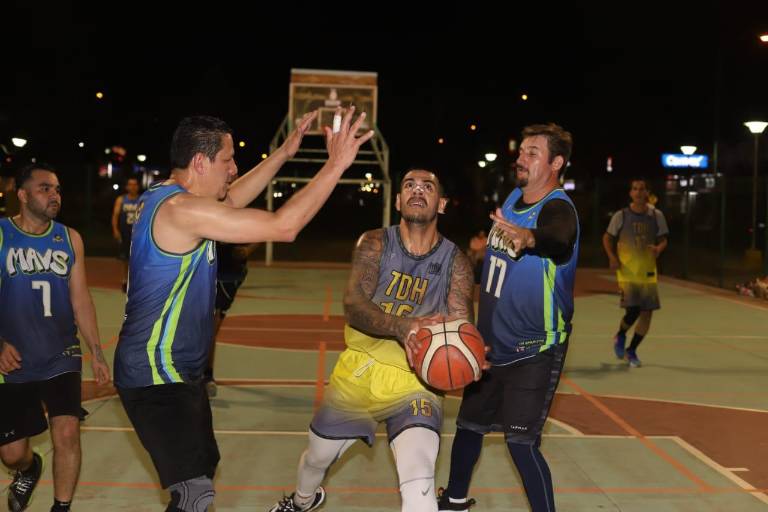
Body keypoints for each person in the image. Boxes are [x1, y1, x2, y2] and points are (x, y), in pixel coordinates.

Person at [113, 107, 373, 512]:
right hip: (155, 373)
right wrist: (336, 164)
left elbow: (233, 199)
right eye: (227, 160)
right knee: (195, 493)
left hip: (176, 371)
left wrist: (284, 153)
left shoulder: (168, 199)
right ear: (199, 162)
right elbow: (283, 227)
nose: (233, 169)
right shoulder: (183, 211)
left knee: (198, 479)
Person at [268, 168, 475, 512]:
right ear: (397, 200)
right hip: (359, 372)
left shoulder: (456, 263)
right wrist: (402, 326)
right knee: (317, 458)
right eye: (409, 185)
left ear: (441, 204)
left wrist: (468, 353)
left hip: (416, 382)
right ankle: (303, 500)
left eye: (427, 187)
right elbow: (353, 305)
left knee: (419, 484)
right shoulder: (375, 243)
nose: (417, 191)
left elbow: (461, 323)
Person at [438, 124, 578, 512]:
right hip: (491, 343)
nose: (521, 158)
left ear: (555, 163)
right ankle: (453, 500)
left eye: (533, 152)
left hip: (535, 347)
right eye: (522, 151)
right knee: (469, 427)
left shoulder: (558, 208)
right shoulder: (515, 197)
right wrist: (483, 252)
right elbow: (503, 263)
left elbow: (559, 239)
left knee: (521, 443)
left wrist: (530, 238)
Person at [0, 163, 111, 512]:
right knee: (12, 453)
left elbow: (80, 298)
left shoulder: (69, 238)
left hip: (62, 353)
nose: (54, 195)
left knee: (66, 433)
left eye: (58, 189)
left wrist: (96, 350)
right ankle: (29, 469)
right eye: (45, 188)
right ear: (22, 194)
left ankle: (60, 507)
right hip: (14, 359)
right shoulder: (2, 235)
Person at [602, 178, 668, 368]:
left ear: (647, 192)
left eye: (642, 189)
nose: (638, 192)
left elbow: (664, 239)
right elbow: (607, 238)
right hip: (628, 271)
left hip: (648, 271)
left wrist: (659, 248)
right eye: (635, 189)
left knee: (647, 313)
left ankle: (632, 350)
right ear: (631, 193)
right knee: (633, 310)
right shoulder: (621, 216)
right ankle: (620, 334)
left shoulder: (656, 215)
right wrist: (612, 257)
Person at [204, 241, 259, 397]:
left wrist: (248, 249)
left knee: (211, 324)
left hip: (228, 272)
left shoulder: (248, 216)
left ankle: (206, 375)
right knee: (208, 323)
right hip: (205, 265)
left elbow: (265, 226)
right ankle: (205, 375)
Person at [111, 177, 141, 292]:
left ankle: (135, 281)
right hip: (125, 233)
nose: (132, 187)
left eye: (135, 184)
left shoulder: (142, 199)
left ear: (137, 186)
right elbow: (115, 215)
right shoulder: (121, 199)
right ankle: (125, 280)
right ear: (127, 186)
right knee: (125, 259)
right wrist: (115, 230)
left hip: (138, 233)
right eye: (130, 184)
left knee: (137, 258)